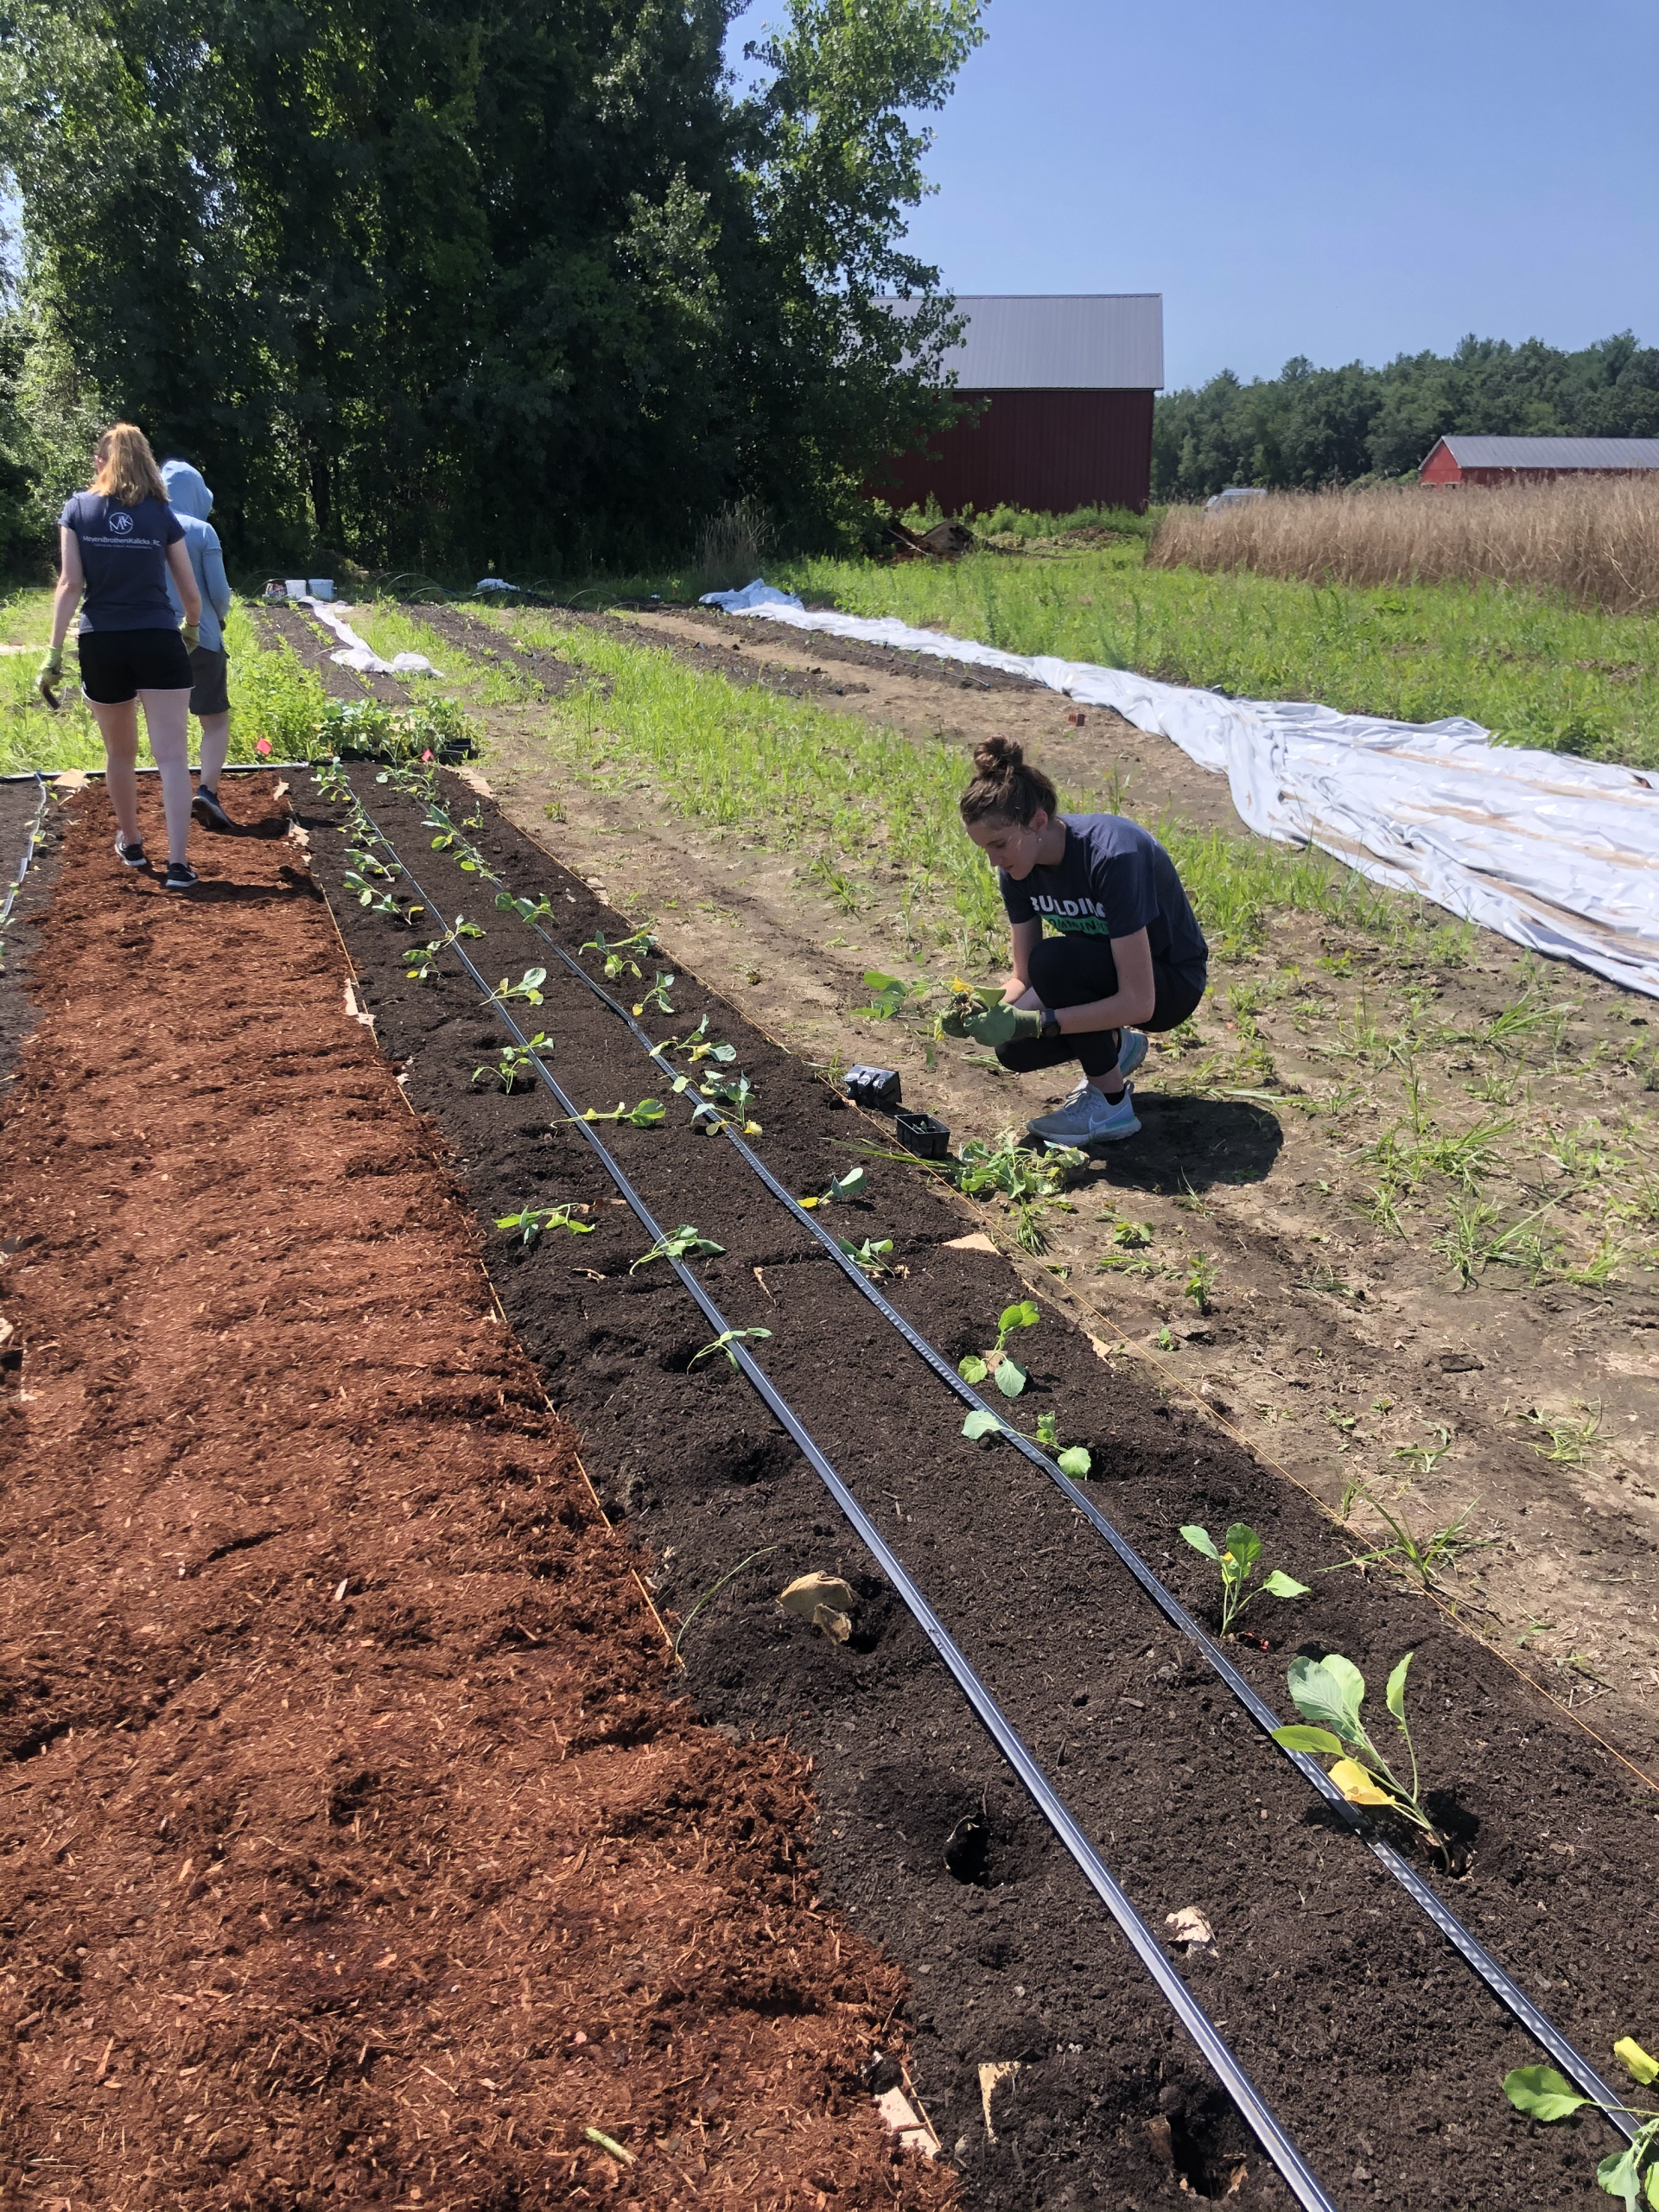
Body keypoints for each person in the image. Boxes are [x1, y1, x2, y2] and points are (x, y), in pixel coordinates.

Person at [946, 736, 1209, 1145]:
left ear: (1037, 822)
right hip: (1109, 976)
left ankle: (1111, 1106)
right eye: (984, 849)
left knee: (1053, 962)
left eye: (999, 844)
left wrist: (1044, 1021)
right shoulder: (1018, 869)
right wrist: (981, 1009)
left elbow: (1140, 1001)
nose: (993, 860)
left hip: (1169, 985)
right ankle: (1116, 1046)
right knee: (1013, 1048)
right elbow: (1022, 978)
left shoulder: (1110, 856)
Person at [38, 423, 203, 891]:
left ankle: (131, 842)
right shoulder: (161, 514)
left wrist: (53, 652)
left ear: (99, 464)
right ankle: (178, 865)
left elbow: (70, 584)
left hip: (102, 641)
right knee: (172, 757)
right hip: (157, 638)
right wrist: (190, 629)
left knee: (120, 753)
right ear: (146, 464)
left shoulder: (78, 510)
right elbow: (189, 593)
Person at [160, 456, 236, 830]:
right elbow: (219, 594)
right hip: (201, 638)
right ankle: (206, 791)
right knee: (215, 721)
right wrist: (220, 616)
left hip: (156, 641)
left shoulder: (146, 526)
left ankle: (172, 799)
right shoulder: (202, 531)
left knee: (169, 728)